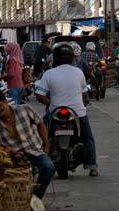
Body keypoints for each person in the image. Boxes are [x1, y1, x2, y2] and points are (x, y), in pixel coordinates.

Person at [35, 43, 98, 176]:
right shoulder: (78, 72)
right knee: (88, 139)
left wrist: (52, 103)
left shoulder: (48, 73)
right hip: (78, 113)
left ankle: (37, 163)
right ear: (71, 57)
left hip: (55, 112)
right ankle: (92, 167)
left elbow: (39, 95)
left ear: (55, 57)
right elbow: (83, 93)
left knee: (39, 133)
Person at [0, 90, 55, 198]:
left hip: (34, 150)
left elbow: (40, 124)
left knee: (48, 167)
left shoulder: (25, 109)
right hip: (14, 157)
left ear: (5, 101)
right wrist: (9, 152)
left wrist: (46, 145)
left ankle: (36, 198)